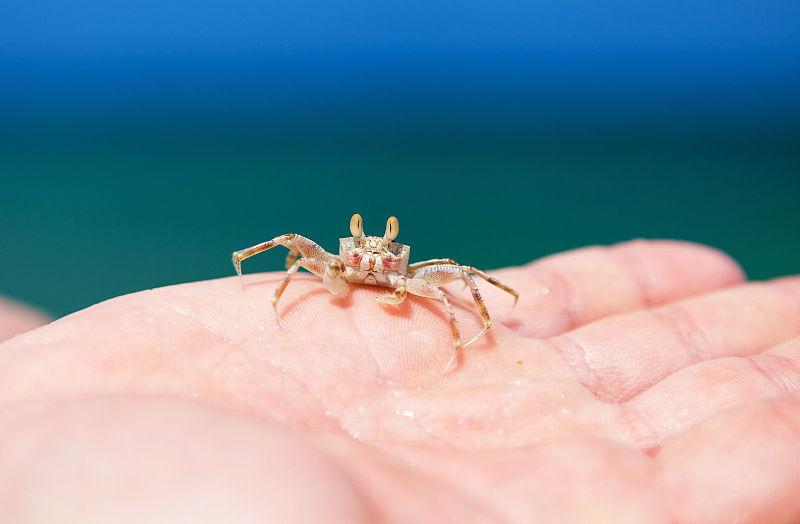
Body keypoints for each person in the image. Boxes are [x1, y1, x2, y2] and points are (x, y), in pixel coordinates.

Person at [0, 240, 798, 523]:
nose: (370, 258)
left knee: (459, 285)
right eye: (363, 248)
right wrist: (262, 279)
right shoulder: (330, 262)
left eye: (381, 249)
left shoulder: (411, 273)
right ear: (352, 247)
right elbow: (287, 252)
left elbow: (463, 281)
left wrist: (484, 315)